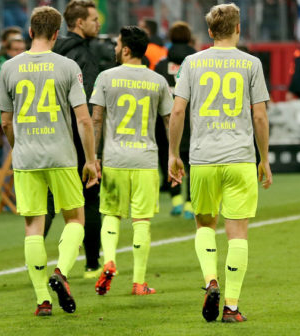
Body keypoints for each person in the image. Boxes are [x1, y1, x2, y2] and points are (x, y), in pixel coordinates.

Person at [168, 3, 272, 323]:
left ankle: (211, 280)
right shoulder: (251, 63)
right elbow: (259, 114)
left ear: (210, 32)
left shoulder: (191, 62)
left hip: (202, 158)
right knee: (237, 232)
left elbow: (177, 111)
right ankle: (231, 305)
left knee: (204, 225)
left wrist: (173, 153)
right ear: (238, 29)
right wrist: (264, 158)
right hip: (240, 156)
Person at [0, 6, 99, 316]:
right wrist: (91, 160)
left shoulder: (9, 68)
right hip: (61, 155)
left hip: (27, 157)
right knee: (75, 219)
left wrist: (19, 147)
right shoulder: (67, 66)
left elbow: (5, 122)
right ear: (56, 34)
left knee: (33, 226)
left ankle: (42, 298)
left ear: (30, 32)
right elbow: (83, 120)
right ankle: (61, 273)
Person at [91, 26, 173, 296]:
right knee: (141, 221)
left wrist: (94, 156)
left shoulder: (106, 77)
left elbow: (96, 119)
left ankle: (110, 260)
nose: (115, 48)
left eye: (117, 44)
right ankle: (139, 282)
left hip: (115, 158)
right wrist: (174, 155)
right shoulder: (157, 81)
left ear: (126, 49)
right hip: (145, 159)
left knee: (111, 215)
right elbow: (168, 120)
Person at [49, 0, 103, 279]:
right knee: (90, 198)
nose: (99, 23)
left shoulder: (50, 53)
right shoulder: (83, 55)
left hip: (48, 138)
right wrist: (94, 150)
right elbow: (91, 107)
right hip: (78, 139)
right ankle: (92, 263)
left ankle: (34, 267)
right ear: (79, 22)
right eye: (94, 19)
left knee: (45, 204)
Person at [154, 21, 196, 219]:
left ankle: (175, 199)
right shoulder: (197, 62)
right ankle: (190, 203)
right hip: (192, 118)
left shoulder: (162, 64)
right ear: (189, 38)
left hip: (166, 118)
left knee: (168, 157)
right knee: (192, 162)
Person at [0, 27, 23, 164]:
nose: (19, 53)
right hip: (4, 116)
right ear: (6, 47)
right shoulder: (5, 66)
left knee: (7, 151)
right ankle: (5, 185)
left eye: (22, 49)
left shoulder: (2, 64)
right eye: (15, 49)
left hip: (4, 116)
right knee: (8, 155)